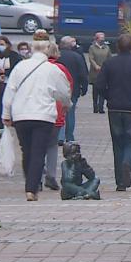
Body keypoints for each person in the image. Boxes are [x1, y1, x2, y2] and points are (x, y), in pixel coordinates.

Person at [2, 37, 71, 201]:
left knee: (27, 150)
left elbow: (10, 90)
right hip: (43, 115)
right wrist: (66, 104)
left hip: (21, 115)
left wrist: (6, 113)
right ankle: (31, 189)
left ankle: (30, 182)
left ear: (32, 50)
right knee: (39, 151)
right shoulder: (52, 70)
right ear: (47, 50)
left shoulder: (20, 67)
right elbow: (63, 91)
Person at [95, 34, 131, 191]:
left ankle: (120, 181)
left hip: (114, 108)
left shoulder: (109, 63)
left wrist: (109, 97)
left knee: (117, 142)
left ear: (117, 47)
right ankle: (128, 163)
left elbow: (99, 85)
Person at [44, 40, 73, 191]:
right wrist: (66, 106)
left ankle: (37, 173)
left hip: (38, 110)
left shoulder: (37, 68)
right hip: (56, 111)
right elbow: (68, 88)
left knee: (37, 144)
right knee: (52, 145)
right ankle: (51, 174)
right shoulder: (60, 69)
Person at [58, 36, 88, 143]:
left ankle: (60, 136)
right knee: (70, 113)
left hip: (57, 89)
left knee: (59, 112)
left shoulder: (56, 56)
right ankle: (69, 136)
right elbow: (83, 73)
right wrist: (84, 88)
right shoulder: (77, 56)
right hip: (72, 89)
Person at [87, 32, 111, 114]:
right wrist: (96, 66)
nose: (103, 39)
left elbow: (109, 58)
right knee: (95, 90)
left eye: (103, 37)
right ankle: (95, 107)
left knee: (103, 89)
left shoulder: (107, 48)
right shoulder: (92, 48)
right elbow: (91, 58)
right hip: (95, 72)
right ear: (96, 38)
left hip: (104, 72)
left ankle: (101, 107)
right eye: (101, 37)